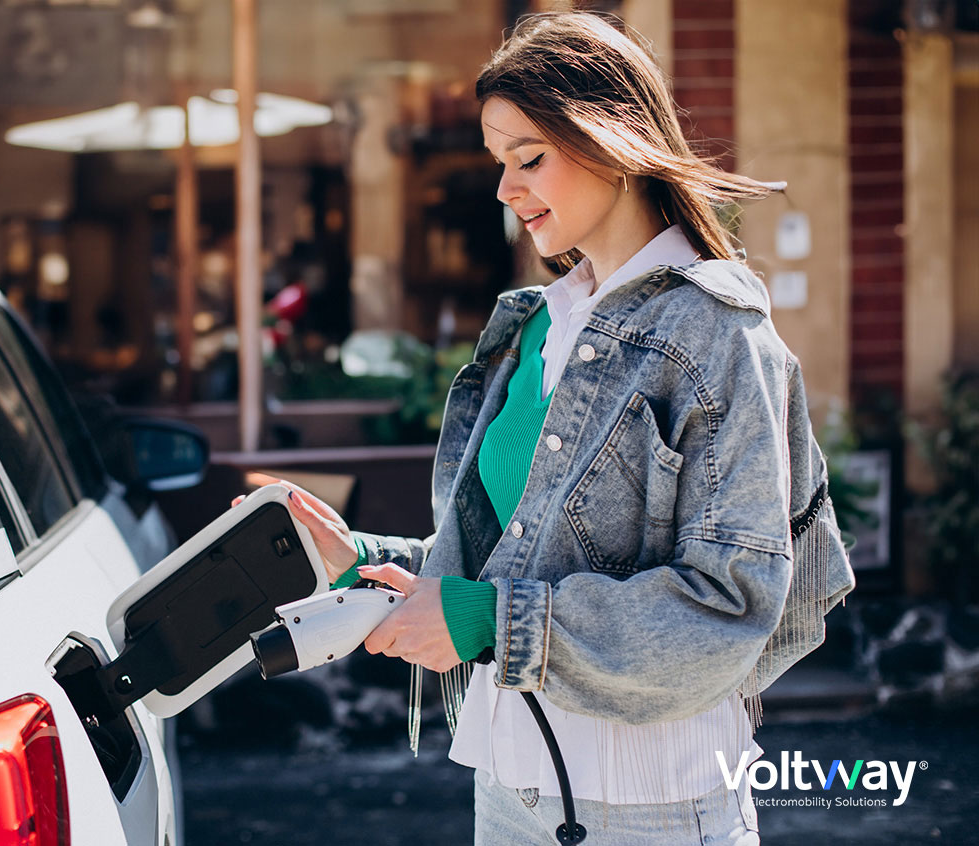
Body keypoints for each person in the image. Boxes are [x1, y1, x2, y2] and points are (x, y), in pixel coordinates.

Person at [254, 11, 855, 845]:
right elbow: (523, 562)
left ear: (614, 142)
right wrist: (373, 561)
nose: (504, 189)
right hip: (509, 787)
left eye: (529, 158)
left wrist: (482, 624)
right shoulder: (537, 326)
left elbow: (730, 608)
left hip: (653, 806)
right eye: (501, 163)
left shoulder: (720, 338)